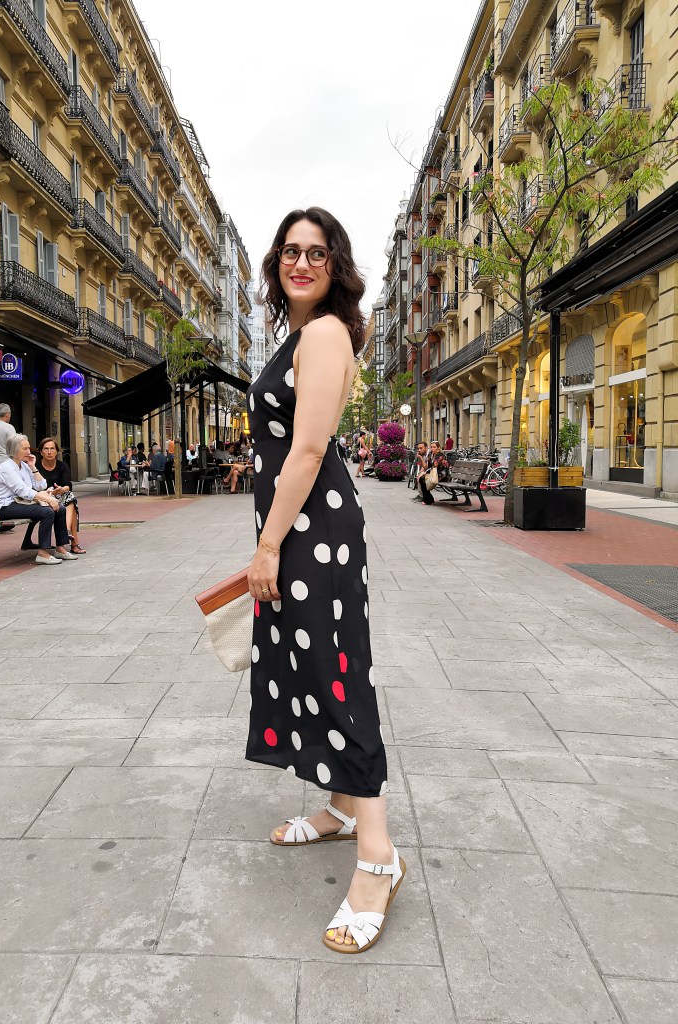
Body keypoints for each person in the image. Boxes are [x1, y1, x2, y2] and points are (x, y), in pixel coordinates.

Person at [246, 206, 401, 954]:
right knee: (314, 667)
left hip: (312, 532)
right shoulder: (301, 335)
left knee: (336, 675)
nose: (300, 262)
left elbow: (306, 452)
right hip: (304, 528)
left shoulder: (328, 332)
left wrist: (269, 545)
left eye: (317, 252)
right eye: (290, 251)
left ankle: (378, 854)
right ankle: (340, 806)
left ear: (335, 265)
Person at [0, 434, 77, 565]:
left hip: (21, 503)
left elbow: (41, 485)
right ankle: (43, 553)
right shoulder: (7, 468)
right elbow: (23, 491)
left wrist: (33, 467)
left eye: (29, 448)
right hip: (6, 507)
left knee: (60, 508)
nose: (29, 452)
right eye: (25, 449)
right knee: (47, 512)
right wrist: (48, 499)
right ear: (14, 450)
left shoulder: (24, 465)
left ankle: (60, 548)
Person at [36, 438, 84, 554]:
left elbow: (68, 485)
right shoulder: (36, 466)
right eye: (46, 449)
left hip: (59, 496)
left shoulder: (62, 466)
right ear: (41, 452)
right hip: (42, 498)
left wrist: (62, 489)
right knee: (71, 503)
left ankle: (67, 531)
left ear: (57, 451)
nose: (49, 452)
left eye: (52, 448)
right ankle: (73, 542)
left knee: (69, 497)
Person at [417, 440, 450, 506]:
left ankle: (428, 500)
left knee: (423, 479)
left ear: (438, 448)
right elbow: (426, 466)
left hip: (442, 475)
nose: (432, 449)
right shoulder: (431, 455)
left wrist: (424, 473)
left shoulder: (440, 455)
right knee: (422, 478)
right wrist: (420, 458)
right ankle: (429, 499)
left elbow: (434, 466)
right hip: (435, 474)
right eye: (431, 447)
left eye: (434, 447)